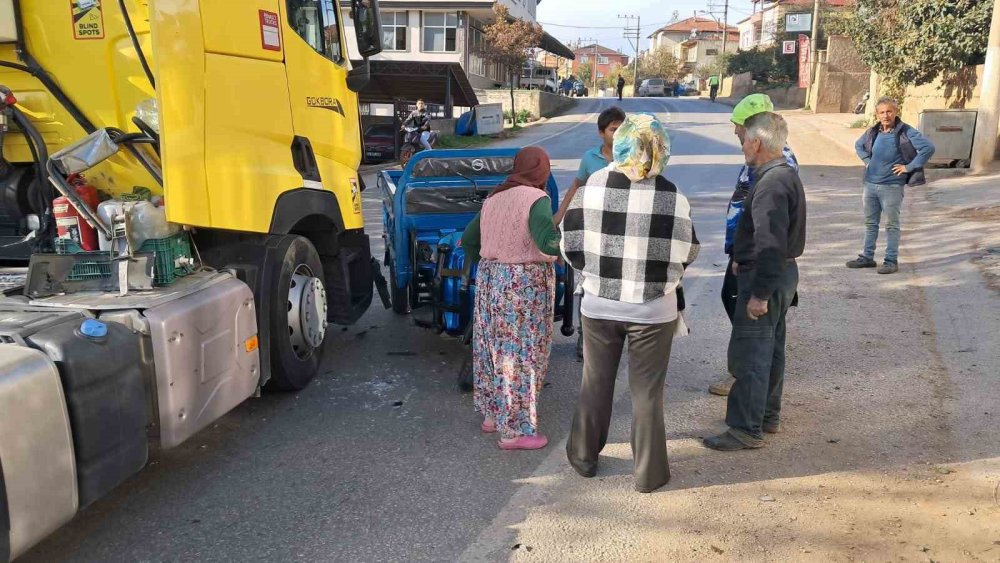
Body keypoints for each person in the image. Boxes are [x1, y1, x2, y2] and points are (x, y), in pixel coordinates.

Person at [562, 114, 700, 493]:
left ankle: (583, 457)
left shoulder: (591, 187)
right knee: (647, 393)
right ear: (660, 149)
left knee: (595, 383)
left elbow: (570, 246)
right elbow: (688, 251)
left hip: (599, 306)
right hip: (654, 310)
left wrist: (595, 275)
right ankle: (649, 474)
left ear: (620, 144)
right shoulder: (672, 194)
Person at [703, 112, 806, 452]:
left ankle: (745, 428)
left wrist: (759, 293)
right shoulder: (781, 174)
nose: (743, 145)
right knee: (771, 349)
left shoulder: (771, 184)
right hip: (777, 273)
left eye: (744, 139)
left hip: (767, 277)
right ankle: (766, 416)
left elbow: (770, 244)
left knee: (752, 354)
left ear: (757, 142)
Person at [461, 147, 562, 450]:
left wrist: (494, 256)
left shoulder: (493, 198)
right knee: (521, 355)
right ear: (541, 170)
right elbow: (547, 241)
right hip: (523, 286)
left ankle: (493, 416)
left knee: (494, 351)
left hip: (490, 280)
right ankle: (514, 432)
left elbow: (468, 240)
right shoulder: (536, 199)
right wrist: (565, 249)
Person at [553, 106, 627, 359]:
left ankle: (614, 337)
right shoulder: (590, 158)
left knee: (617, 287)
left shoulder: (631, 157)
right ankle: (586, 339)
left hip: (622, 233)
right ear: (601, 133)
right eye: (613, 130)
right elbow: (577, 186)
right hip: (592, 231)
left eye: (621, 130)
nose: (618, 135)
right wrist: (560, 215)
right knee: (589, 285)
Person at [846, 97, 935, 274]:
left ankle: (890, 261)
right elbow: (858, 145)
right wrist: (867, 161)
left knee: (892, 225)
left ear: (896, 112)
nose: (886, 115)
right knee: (871, 223)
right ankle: (867, 257)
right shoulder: (873, 132)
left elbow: (928, 148)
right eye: (882, 112)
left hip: (892, 187)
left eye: (889, 111)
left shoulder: (906, 132)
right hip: (870, 185)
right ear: (877, 114)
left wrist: (909, 167)